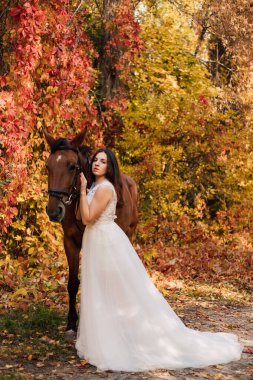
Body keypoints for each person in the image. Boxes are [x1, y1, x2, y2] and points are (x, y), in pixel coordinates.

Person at [75, 148, 243, 372]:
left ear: (110, 166)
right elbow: (79, 215)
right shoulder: (96, 187)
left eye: (103, 161)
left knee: (111, 290)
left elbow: (86, 218)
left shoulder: (104, 189)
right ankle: (106, 336)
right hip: (96, 240)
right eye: (95, 159)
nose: (97, 163)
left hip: (105, 242)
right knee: (99, 290)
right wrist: (84, 190)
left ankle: (119, 340)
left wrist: (83, 189)